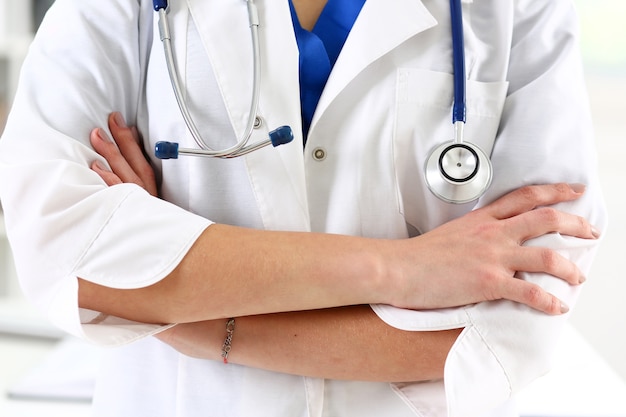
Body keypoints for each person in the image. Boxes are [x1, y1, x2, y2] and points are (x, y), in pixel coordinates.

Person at [0, 0, 606, 416]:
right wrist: (401, 268)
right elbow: (61, 246)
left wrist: (181, 313)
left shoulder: (516, 11)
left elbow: (516, 322)